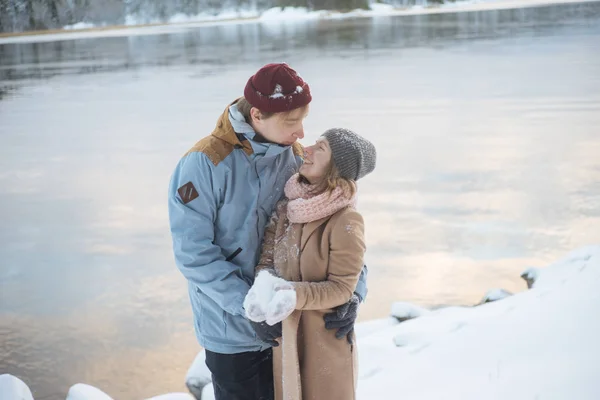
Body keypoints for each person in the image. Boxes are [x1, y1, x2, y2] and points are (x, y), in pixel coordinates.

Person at [168, 63, 368, 400]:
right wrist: (249, 306)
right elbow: (194, 255)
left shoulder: (295, 158)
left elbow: (341, 225)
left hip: (293, 327)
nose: (302, 133)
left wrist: (355, 292)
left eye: (303, 120)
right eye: (292, 123)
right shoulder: (203, 165)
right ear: (258, 115)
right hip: (231, 333)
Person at [244, 128, 376, 400]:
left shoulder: (346, 221)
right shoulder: (287, 209)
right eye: (314, 143)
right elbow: (267, 261)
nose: (307, 149)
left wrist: (293, 295)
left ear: (336, 167)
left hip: (325, 345)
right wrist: (261, 292)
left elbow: (342, 287)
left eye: (321, 148)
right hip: (287, 342)